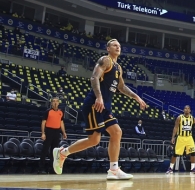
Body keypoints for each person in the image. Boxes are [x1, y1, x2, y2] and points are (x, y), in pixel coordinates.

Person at [53, 39, 147, 180]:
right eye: (114, 45)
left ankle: (114, 169)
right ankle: (63, 153)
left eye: (119, 46)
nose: (118, 47)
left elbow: (121, 87)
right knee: (94, 140)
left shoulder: (118, 68)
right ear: (108, 48)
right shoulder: (105, 60)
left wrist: (137, 97)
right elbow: (94, 77)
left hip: (105, 106)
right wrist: (99, 97)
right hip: (94, 104)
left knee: (116, 132)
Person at [166, 105, 195, 174]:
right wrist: (173, 137)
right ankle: (170, 168)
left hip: (189, 137)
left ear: (190, 110)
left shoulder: (192, 118)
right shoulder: (179, 117)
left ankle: (193, 168)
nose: (187, 110)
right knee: (175, 154)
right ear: (183, 110)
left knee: (193, 152)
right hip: (180, 137)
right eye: (185, 108)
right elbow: (175, 127)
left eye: (188, 109)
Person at [39, 96, 67, 174]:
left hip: (56, 132)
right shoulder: (48, 111)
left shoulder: (61, 112)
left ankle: (52, 169)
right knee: (44, 150)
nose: (55, 102)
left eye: (56, 101)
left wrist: (64, 132)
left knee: (54, 152)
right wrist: (43, 133)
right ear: (51, 103)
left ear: (58, 103)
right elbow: (43, 122)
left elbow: (61, 122)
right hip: (49, 131)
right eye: (53, 101)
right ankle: (41, 169)